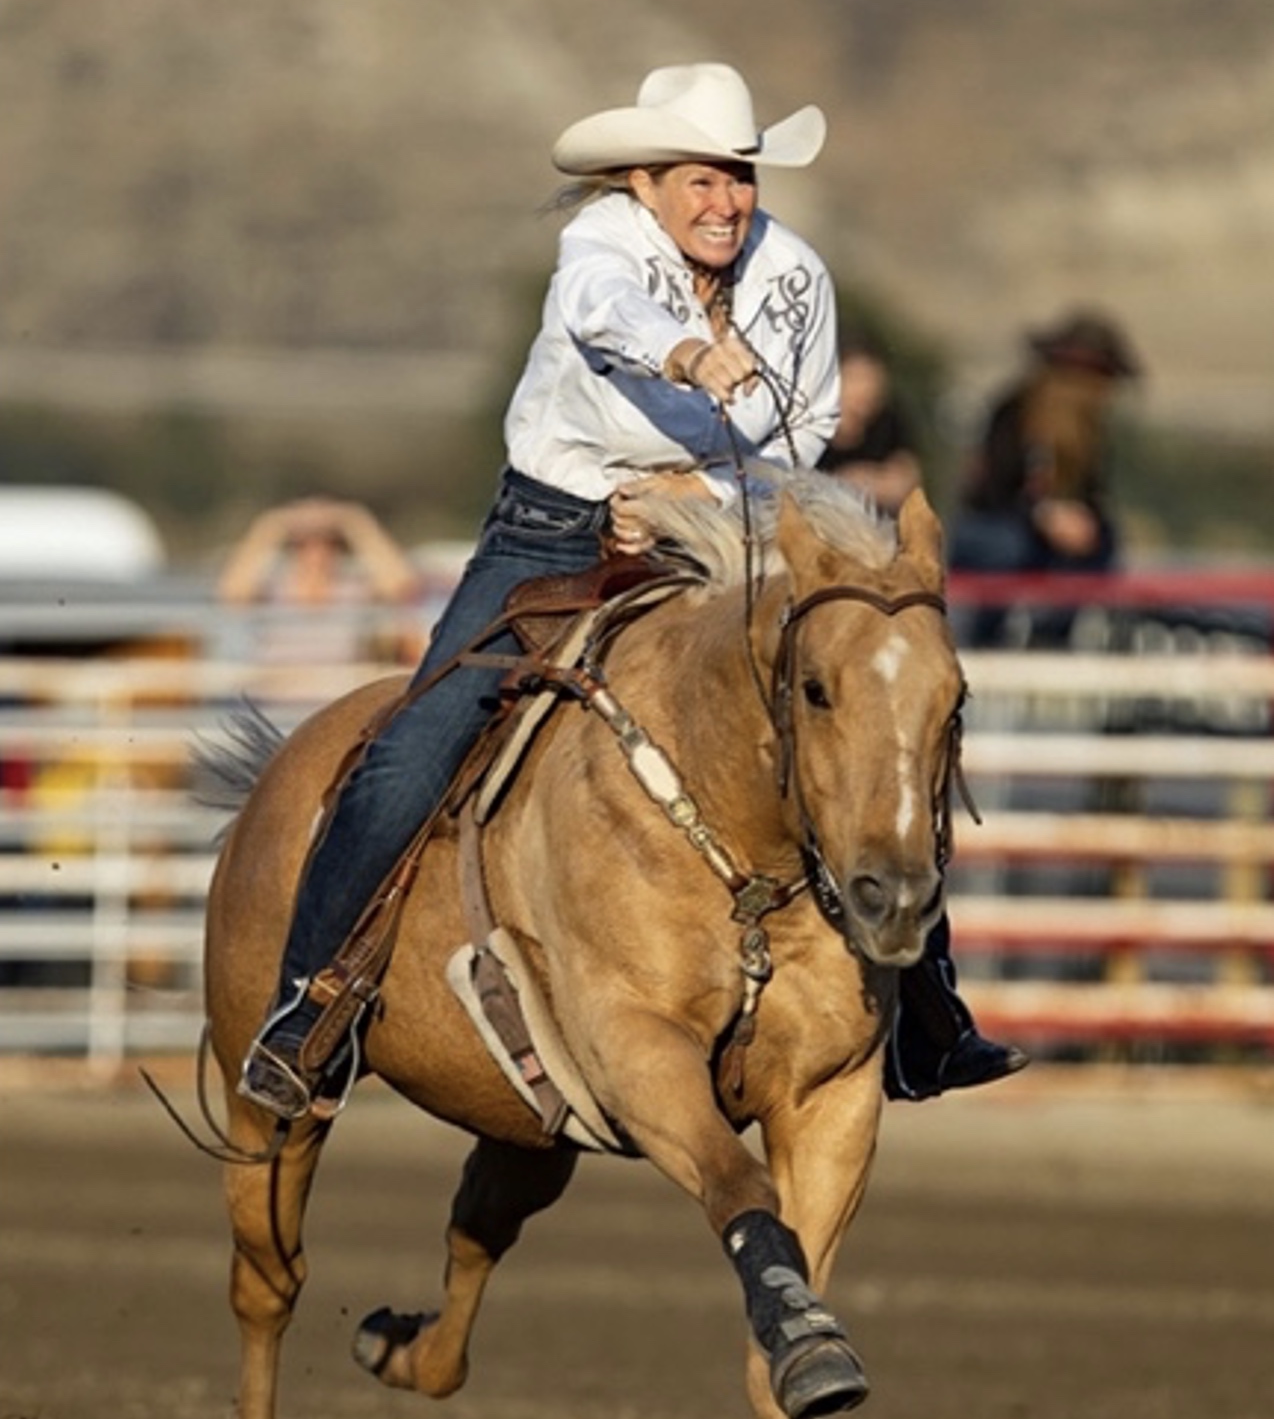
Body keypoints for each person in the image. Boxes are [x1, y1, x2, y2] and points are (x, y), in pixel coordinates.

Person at [237, 61, 1024, 1121]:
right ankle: (310, 1004)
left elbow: (804, 429)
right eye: (700, 178)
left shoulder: (793, 275)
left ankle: (927, 1010)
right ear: (641, 184)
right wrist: (688, 352)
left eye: (738, 176)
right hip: (553, 527)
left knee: (866, 710)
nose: (725, 200)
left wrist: (688, 495)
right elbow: (601, 311)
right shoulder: (600, 247)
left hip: (730, 519)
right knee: (416, 748)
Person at [949, 309, 1142, 575]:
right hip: (999, 529)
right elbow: (994, 490)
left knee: (1102, 541)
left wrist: (1082, 522)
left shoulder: (1091, 436)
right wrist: (1044, 516)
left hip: (1049, 541)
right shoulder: (1013, 414)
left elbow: (1092, 497)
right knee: (1009, 545)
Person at [216, 496, 419, 665]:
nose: (315, 550)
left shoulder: (353, 587)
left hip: (341, 688)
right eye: (302, 542)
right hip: (278, 686)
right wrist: (273, 524)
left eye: (328, 541)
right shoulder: (273, 586)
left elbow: (402, 587)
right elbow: (231, 593)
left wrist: (354, 521)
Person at [817, 329, 922, 514]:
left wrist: (859, 482)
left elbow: (906, 481)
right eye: (856, 379)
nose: (865, 390)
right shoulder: (808, 424)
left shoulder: (887, 423)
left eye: (871, 380)